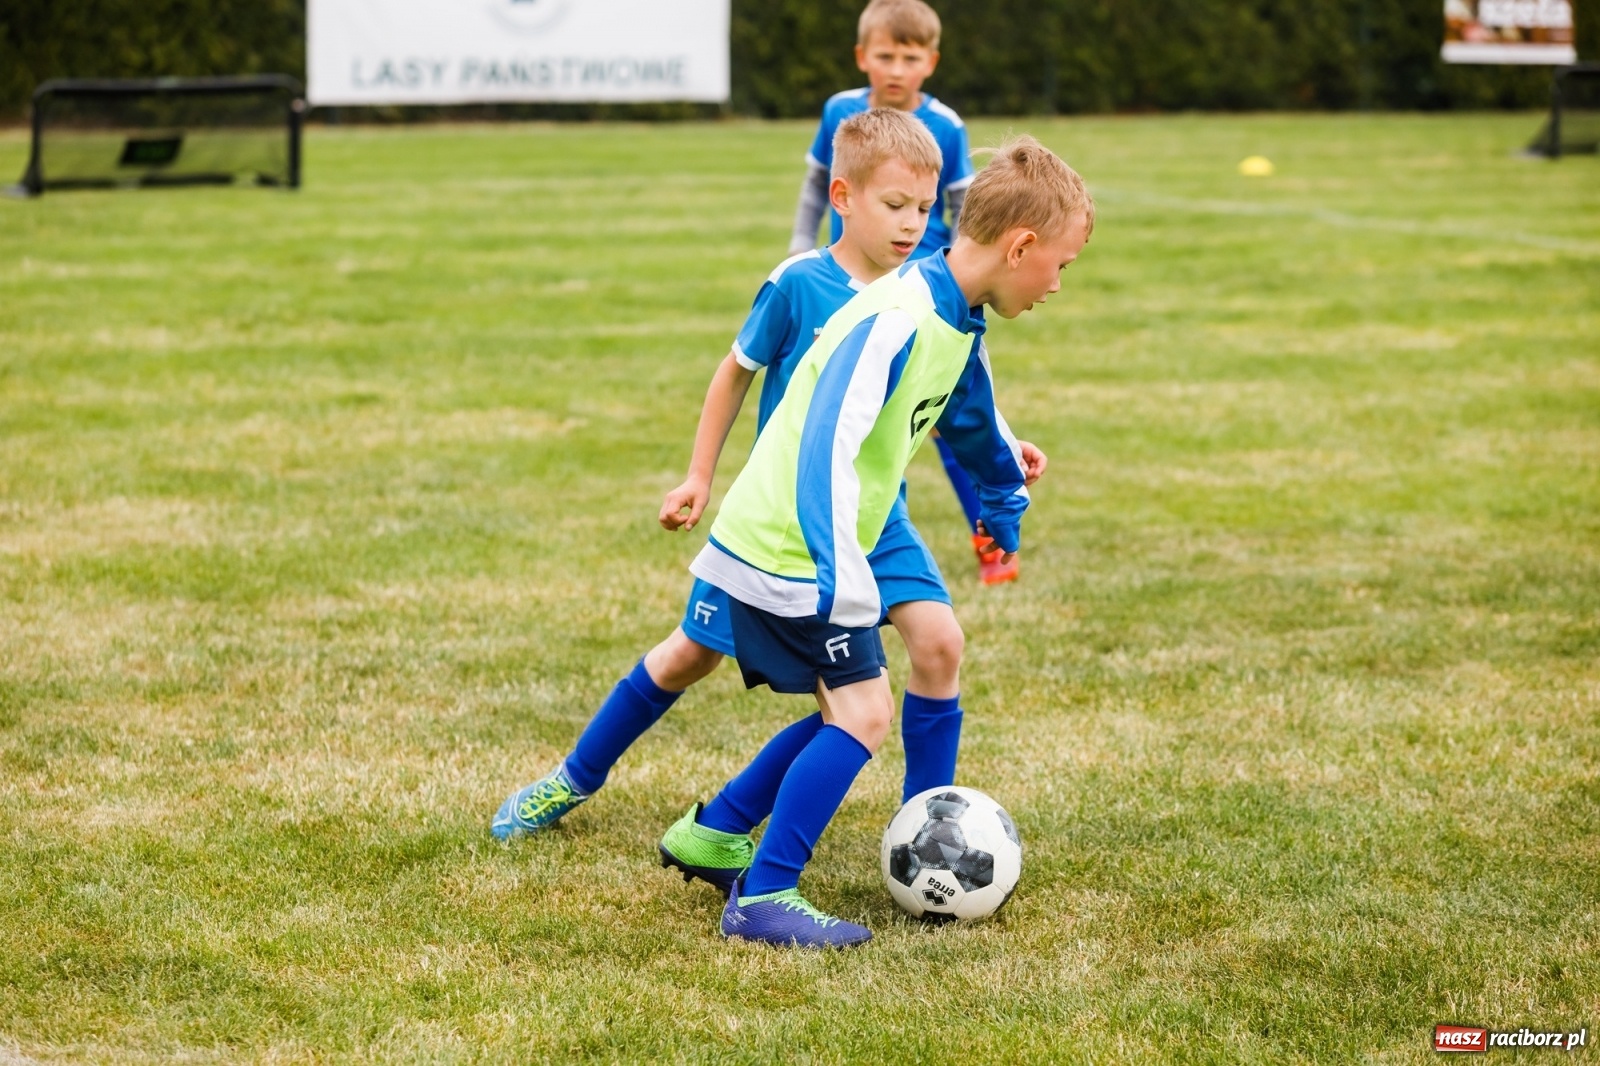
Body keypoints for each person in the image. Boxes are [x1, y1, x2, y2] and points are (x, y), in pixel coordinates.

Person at [490, 111, 1045, 871]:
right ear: (842, 197)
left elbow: (949, 388)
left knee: (937, 646)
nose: (913, 224)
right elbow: (736, 373)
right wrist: (698, 474)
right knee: (695, 658)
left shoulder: (933, 289)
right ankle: (578, 779)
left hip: (876, 518)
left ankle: (923, 834)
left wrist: (1005, 446)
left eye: (923, 209)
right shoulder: (802, 284)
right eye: (895, 207)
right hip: (792, 519)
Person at [698, 135, 1094, 948]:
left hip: (822, 542)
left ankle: (737, 829)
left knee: (884, 686)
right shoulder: (899, 315)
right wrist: (841, 574)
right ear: (1019, 247)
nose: (1057, 284)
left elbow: (970, 412)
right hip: (792, 547)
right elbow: (823, 448)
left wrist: (1003, 478)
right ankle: (763, 895)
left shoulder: (954, 310)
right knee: (863, 711)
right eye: (1058, 264)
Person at [789, 0, 1018, 585]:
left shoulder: (946, 124)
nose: (895, 68)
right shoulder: (840, 112)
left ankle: (989, 539)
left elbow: (964, 207)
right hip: (854, 285)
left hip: (921, 290)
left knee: (936, 412)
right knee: (862, 410)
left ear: (930, 62)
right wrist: (799, 243)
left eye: (909, 57)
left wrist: (963, 278)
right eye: (884, 55)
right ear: (862, 56)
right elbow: (820, 180)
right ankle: (869, 536)